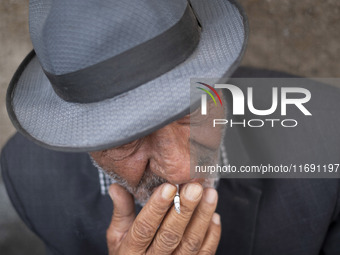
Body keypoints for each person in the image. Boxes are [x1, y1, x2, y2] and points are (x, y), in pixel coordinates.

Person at [1, 0, 340, 254]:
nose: (182, 170)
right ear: (76, 132)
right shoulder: (29, 179)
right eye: (127, 139)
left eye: (192, 108)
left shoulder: (329, 137)